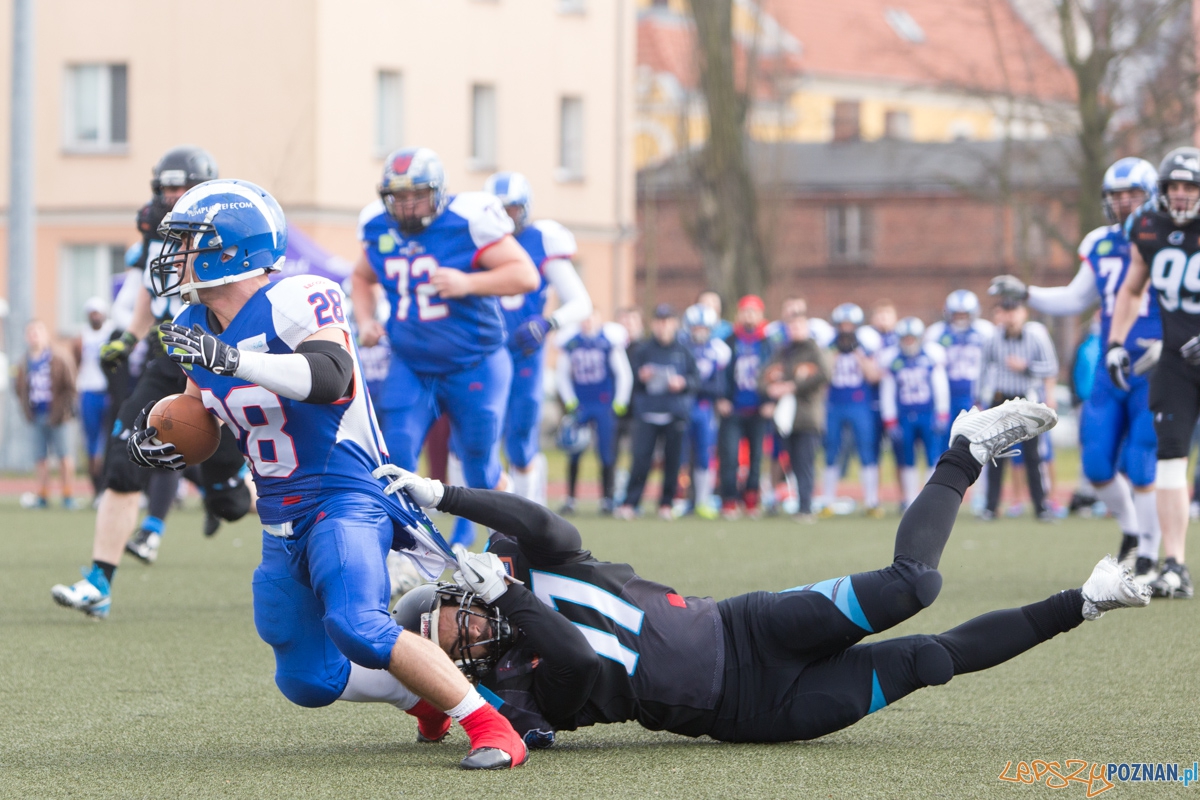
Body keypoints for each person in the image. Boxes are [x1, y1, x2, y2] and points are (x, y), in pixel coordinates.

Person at [387, 400, 1150, 747]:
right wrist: (509, 600)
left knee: (912, 585)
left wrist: (442, 494)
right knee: (927, 660)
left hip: (745, 624)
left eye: (456, 615)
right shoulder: (515, 698)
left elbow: (548, 525)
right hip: (752, 714)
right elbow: (581, 658)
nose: (469, 631)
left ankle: (965, 452)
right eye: (453, 641)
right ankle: (1084, 600)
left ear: (457, 591)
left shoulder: (519, 567)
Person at [139, 178, 528, 769]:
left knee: (358, 624)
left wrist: (236, 359)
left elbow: (331, 378)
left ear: (231, 248)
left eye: (189, 242)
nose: (176, 256)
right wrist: (171, 440)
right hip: (279, 512)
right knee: (307, 678)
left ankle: (493, 725)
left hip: (346, 493)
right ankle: (420, 698)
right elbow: (210, 416)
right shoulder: (197, 320)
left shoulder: (297, 295)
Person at [50, 147, 253, 617]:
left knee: (237, 494)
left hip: (221, 352)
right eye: (166, 188)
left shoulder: (231, 229)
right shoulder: (154, 229)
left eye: (181, 188)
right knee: (124, 457)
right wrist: (129, 335)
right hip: (169, 352)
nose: (172, 197)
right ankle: (99, 580)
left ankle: (237, 501)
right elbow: (150, 288)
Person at [351, 148, 539, 548]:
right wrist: (366, 319)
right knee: (395, 456)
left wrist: (469, 283)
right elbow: (361, 275)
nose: (407, 205)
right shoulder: (377, 226)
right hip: (411, 364)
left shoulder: (468, 221)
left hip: (476, 362)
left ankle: (512, 550)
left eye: (416, 194)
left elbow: (525, 275)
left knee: (480, 467)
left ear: (438, 192)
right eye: (398, 197)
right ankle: (409, 553)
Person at [991, 156, 1160, 576]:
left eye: (1132, 194)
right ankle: (1132, 532)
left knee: (1143, 462)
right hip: (1110, 364)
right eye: (1116, 196)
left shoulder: (1172, 239)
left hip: (1156, 366)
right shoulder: (1100, 242)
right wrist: (1026, 291)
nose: (1123, 203)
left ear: (1150, 196)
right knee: (1097, 464)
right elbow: (1073, 298)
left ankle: (1152, 554)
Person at [1107, 146, 1200, 599]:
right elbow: (1131, 287)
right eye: (1173, 186)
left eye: (1190, 186)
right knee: (1170, 461)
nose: (1181, 195)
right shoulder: (1146, 225)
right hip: (1177, 362)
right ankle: (1176, 565)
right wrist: (1114, 343)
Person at [485, 171, 593, 506]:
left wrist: (548, 323)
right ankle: (474, 524)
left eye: (512, 209)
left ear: (525, 208)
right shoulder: (477, 241)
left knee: (519, 441)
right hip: (485, 353)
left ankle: (529, 517)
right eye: (499, 210)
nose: (506, 218)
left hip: (525, 352)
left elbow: (581, 302)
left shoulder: (542, 239)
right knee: (477, 441)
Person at [977, 297, 1058, 521]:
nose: (1010, 316)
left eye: (1015, 311)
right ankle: (991, 507)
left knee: (1033, 456)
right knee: (996, 455)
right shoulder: (993, 339)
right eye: (1006, 311)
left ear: (1024, 313)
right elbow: (983, 368)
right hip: (1000, 399)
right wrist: (978, 398)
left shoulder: (1035, 336)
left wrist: (1026, 367)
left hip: (1026, 400)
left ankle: (1041, 507)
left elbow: (1051, 367)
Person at [617, 304, 699, 520]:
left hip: (673, 413)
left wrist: (682, 383)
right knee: (641, 460)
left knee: (672, 462)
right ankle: (630, 502)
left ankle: (666, 503)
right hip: (648, 412)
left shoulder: (683, 351)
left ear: (674, 324)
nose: (663, 326)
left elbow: (695, 379)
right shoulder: (643, 350)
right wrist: (642, 376)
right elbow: (630, 378)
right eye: (659, 321)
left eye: (667, 321)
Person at [760, 300, 831, 522]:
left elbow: (824, 374)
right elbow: (762, 377)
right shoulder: (783, 352)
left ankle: (806, 507)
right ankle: (783, 501)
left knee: (805, 463)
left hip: (807, 416)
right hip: (785, 418)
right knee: (785, 461)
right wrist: (771, 389)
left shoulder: (815, 351)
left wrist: (793, 386)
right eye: (791, 327)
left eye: (799, 326)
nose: (795, 330)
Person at [556, 311, 633, 514]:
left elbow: (624, 374)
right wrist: (570, 400)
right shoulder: (571, 343)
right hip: (581, 404)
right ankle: (571, 498)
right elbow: (562, 375)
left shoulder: (608, 342)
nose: (588, 322)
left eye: (592, 318)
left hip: (603, 404)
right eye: (585, 318)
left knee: (606, 452)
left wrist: (620, 401)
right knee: (574, 451)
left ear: (600, 320)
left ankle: (607, 499)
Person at [820, 303, 884, 516]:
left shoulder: (865, 344)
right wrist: (836, 354)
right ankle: (828, 499)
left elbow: (874, 375)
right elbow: (823, 376)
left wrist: (857, 353)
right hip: (835, 404)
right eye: (842, 324)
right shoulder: (829, 345)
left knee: (866, 449)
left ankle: (871, 501)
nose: (846, 329)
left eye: (850, 324)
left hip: (859, 404)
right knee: (831, 450)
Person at [880, 317, 949, 510]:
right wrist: (890, 419)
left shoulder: (931, 358)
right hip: (904, 416)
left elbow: (940, 388)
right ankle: (910, 499)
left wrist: (942, 414)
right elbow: (888, 393)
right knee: (907, 458)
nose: (909, 342)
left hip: (927, 413)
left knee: (932, 456)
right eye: (906, 338)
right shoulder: (894, 361)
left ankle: (930, 499)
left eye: (912, 338)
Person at [716, 295, 772, 519]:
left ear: (760, 315)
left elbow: (774, 373)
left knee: (757, 457)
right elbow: (719, 371)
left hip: (758, 409)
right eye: (745, 311)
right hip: (733, 408)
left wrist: (770, 401)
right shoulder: (729, 341)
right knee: (729, 456)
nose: (749, 316)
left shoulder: (767, 343)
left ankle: (751, 499)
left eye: (753, 311)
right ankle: (729, 499)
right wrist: (721, 397)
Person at [15, 320, 78, 509]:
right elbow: (18, 388)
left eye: (38, 331)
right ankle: (43, 494)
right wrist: (26, 408)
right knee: (40, 457)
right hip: (36, 415)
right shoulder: (24, 361)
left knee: (64, 456)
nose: (34, 335)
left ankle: (67, 495)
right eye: (30, 332)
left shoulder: (59, 356)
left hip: (57, 416)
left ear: (45, 334)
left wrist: (64, 409)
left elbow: (71, 386)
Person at [681, 303, 731, 519]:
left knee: (704, 454)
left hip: (704, 407)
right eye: (696, 327)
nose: (700, 331)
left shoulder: (719, 350)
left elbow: (719, 386)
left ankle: (702, 499)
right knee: (680, 454)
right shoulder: (681, 347)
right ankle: (680, 499)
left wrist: (691, 385)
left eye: (704, 327)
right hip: (683, 406)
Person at [73, 298, 114, 499]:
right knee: (91, 441)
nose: (95, 316)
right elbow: (76, 361)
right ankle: (96, 488)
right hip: (88, 391)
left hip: (107, 391)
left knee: (111, 440)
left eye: (98, 312)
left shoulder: (112, 332)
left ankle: (109, 484)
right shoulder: (82, 336)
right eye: (92, 313)